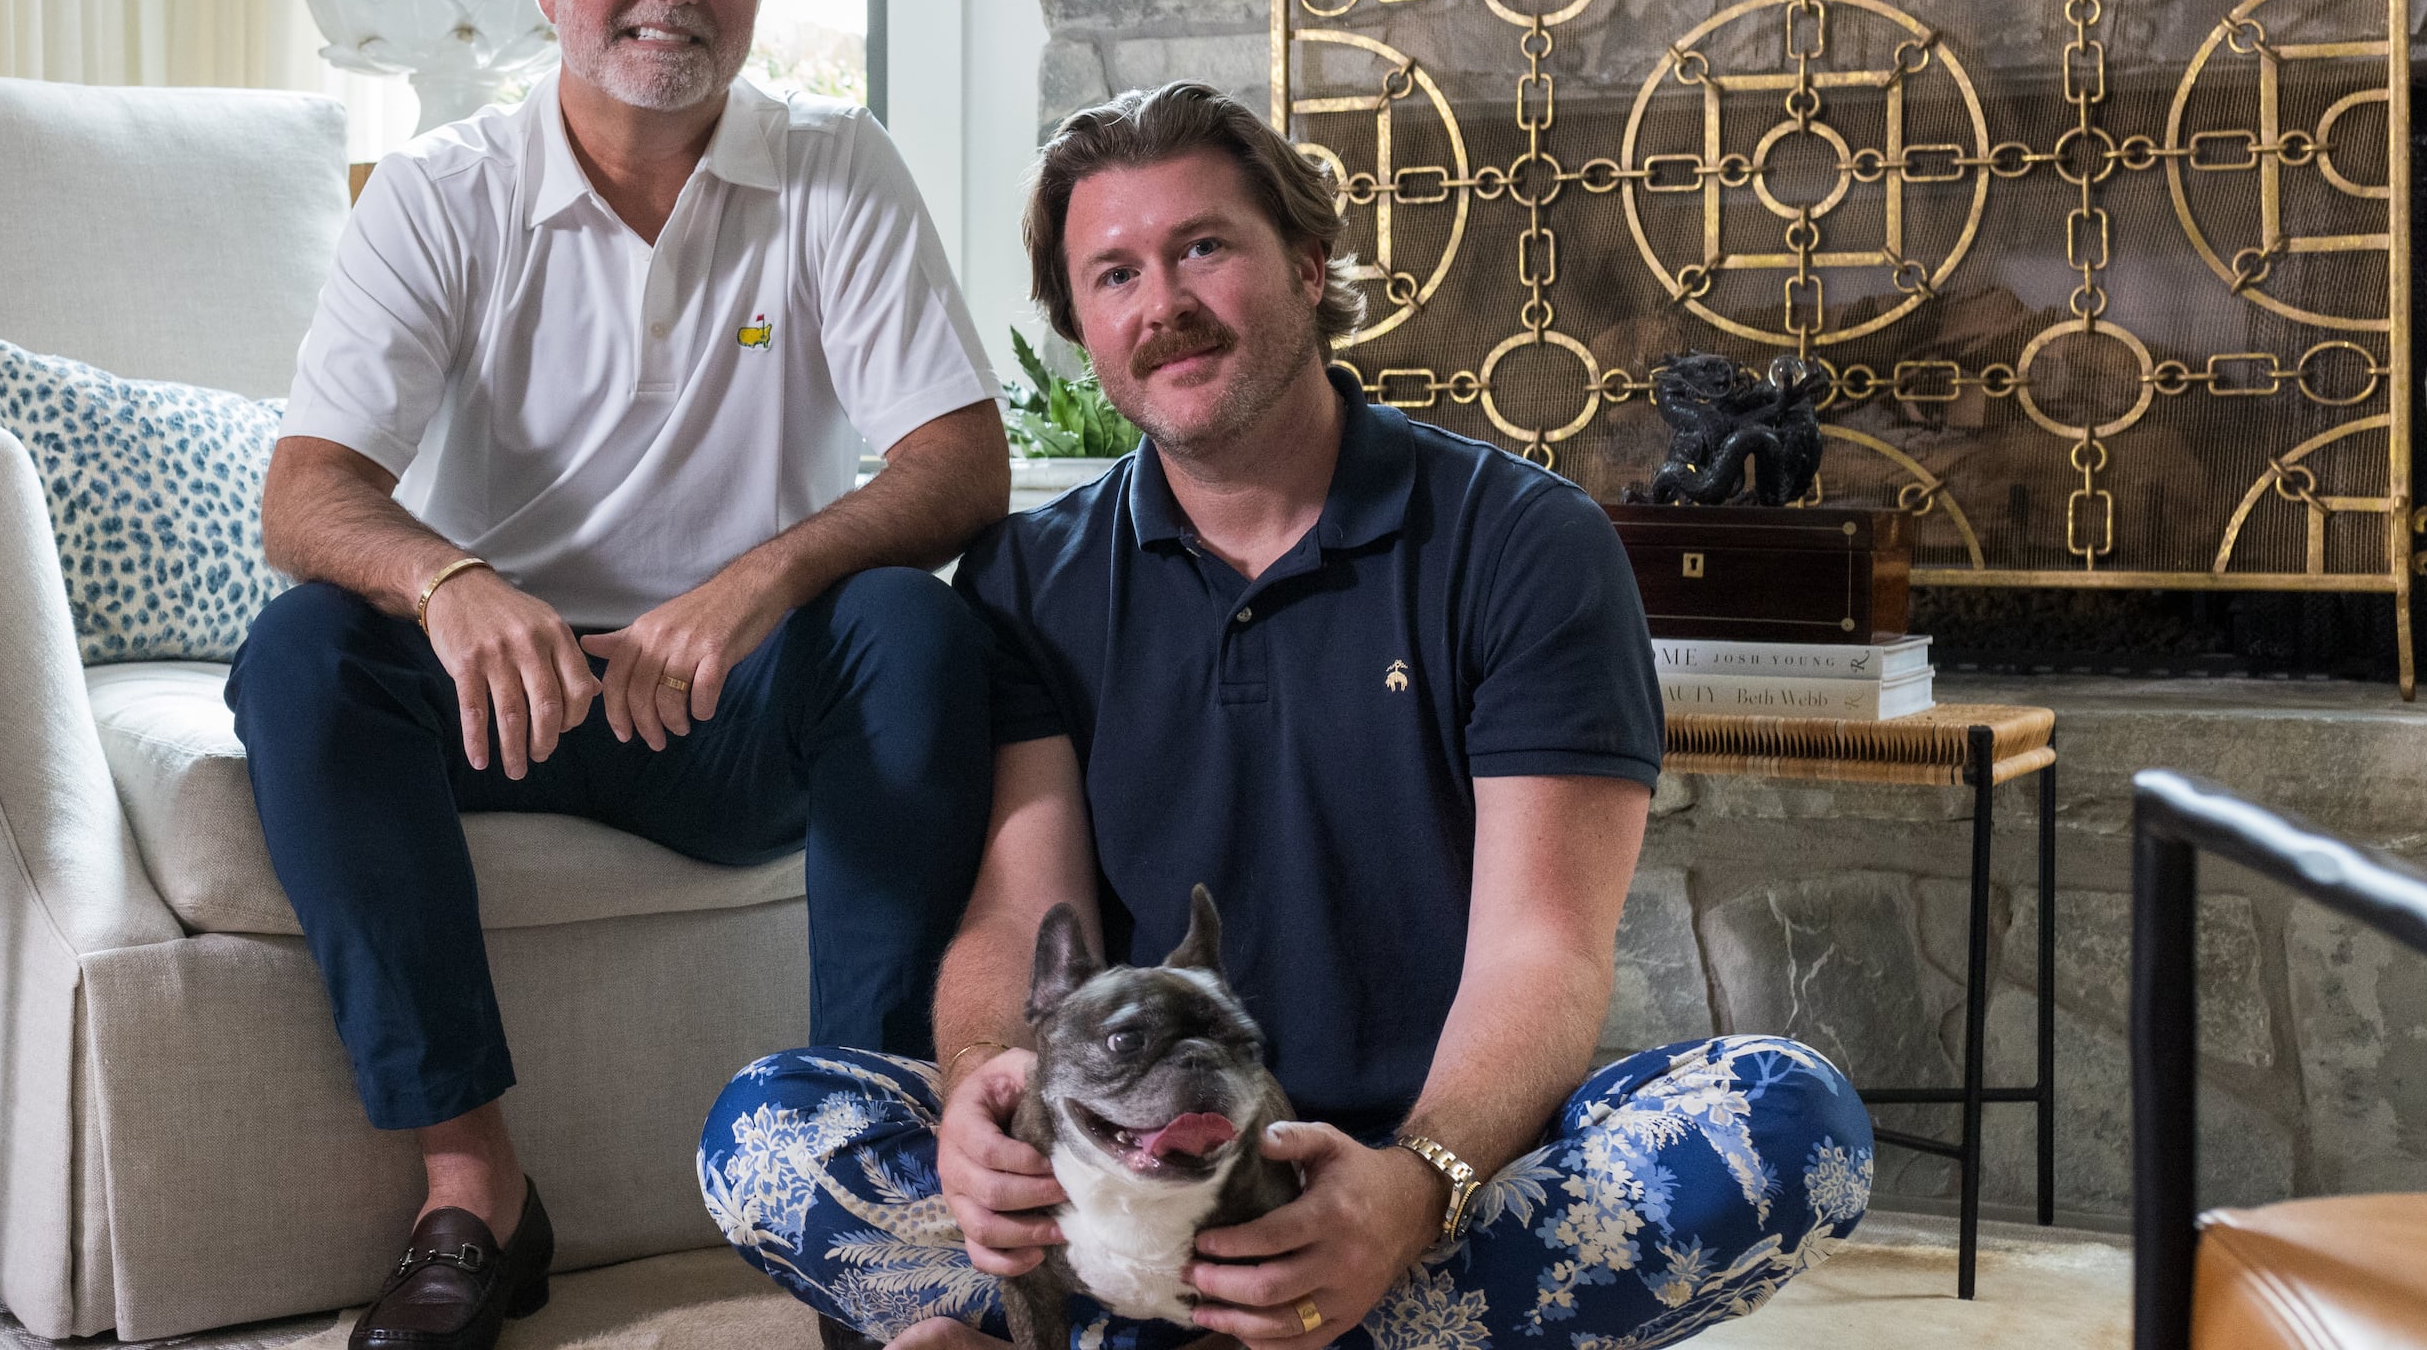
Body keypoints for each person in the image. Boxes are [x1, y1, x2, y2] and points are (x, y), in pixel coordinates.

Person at [699, 82, 1873, 1350]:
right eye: (1113, 275)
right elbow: (1020, 919)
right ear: (1080, 326)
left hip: (1420, 1181)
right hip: (1119, 1188)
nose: (1164, 306)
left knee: (1788, 1119)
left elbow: (1548, 950)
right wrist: (991, 1094)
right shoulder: (1026, 580)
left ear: (1311, 267)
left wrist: (1415, 1189)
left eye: (1203, 246)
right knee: (764, 1128)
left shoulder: (1529, 545)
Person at [234, 0, 1014, 1350]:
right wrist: (453, 586)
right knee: (301, 656)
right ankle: (475, 1197)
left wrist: (759, 581)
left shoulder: (833, 170)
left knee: (911, 635)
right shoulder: (444, 196)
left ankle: (855, 1171)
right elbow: (310, 494)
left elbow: (958, 465)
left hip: (733, 697)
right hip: (499, 695)